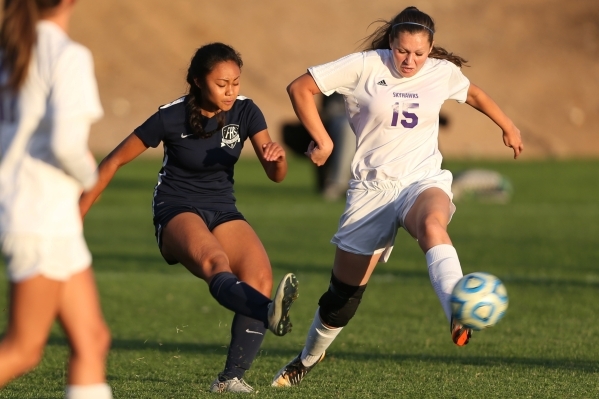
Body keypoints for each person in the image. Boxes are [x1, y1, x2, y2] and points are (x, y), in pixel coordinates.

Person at [272, 6, 523, 387]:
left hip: (421, 179)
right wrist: (322, 139)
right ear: (392, 42)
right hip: (372, 190)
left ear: (431, 48)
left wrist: (507, 125)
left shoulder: (440, 72)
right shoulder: (365, 66)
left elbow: (473, 94)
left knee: (432, 225)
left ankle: (457, 308)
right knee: (343, 299)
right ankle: (305, 360)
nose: (410, 60)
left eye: (420, 53)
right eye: (403, 51)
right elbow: (300, 88)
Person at [79, 42, 299, 394]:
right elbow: (113, 161)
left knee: (259, 276)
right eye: (221, 84)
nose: (231, 91)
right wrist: (77, 215)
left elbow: (277, 174)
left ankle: (230, 379)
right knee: (216, 261)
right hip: (175, 207)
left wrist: (278, 159)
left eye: (236, 83)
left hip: (223, 208)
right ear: (198, 82)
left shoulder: (246, 112)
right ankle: (268, 311)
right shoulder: (170, 116)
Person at [0, 0, 113, 398]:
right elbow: (68, 145)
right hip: (39, 216)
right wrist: (91, 175)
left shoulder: (12, 50)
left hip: (45, 216)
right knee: (23, 349)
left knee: (92, 339)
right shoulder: (67, 55)